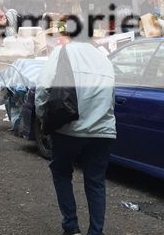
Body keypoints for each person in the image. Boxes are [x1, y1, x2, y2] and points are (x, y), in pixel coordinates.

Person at [35, 39, 116, 235]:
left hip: (69, 129)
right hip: (102, 130)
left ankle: (71, 226)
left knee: (61, 172)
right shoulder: (104, 59)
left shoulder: (62, 52)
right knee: (96, 181)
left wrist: (43, 118)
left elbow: (43, 89)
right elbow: (111, 98)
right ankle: (96, 231)